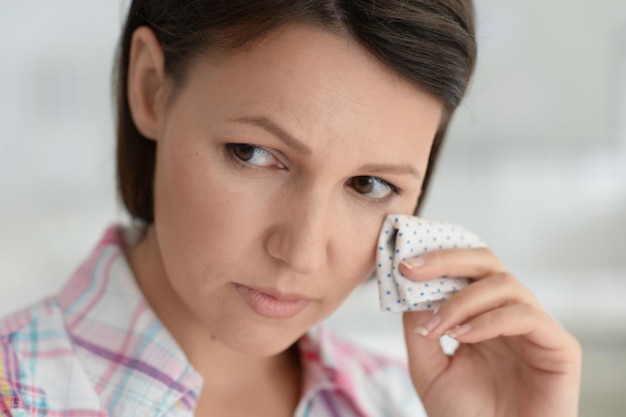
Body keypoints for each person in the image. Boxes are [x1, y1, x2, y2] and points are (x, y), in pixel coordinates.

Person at [0, 1, 581, 416]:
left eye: (370, 185)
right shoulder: (20, 393)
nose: (301, 252)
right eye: (253, 154)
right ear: (151, 85)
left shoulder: (402, 402)